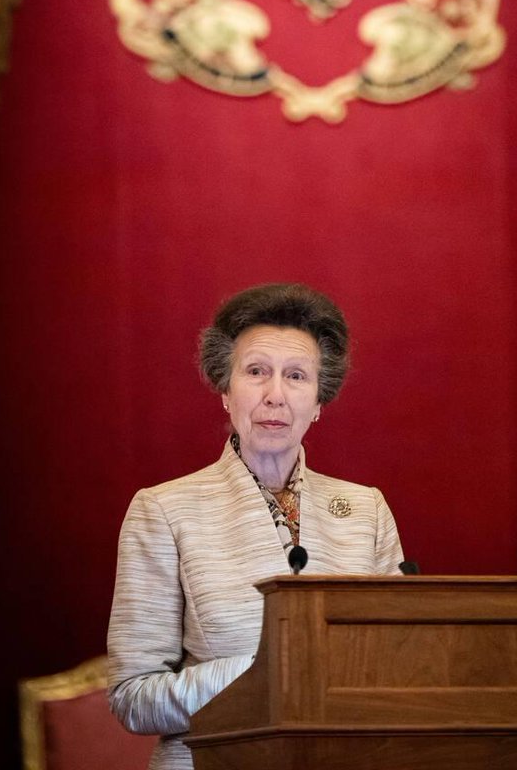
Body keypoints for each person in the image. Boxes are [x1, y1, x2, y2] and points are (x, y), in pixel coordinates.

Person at [107, 282, 404, 769]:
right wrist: (263, 674)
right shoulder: (163, 510)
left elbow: (395, 665)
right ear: (226, 391)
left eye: (296, 376)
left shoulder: (366, 509)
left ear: (318, 402)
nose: (275, 395)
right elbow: (132, 697)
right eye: (256, 372)